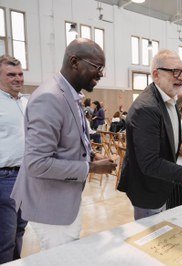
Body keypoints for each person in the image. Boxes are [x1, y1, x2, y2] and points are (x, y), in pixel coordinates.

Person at [11, 38, 117, 250]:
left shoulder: (70, 94)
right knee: (63, 257)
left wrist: (90, 155)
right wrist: (90, 168)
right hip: (50, 204)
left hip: (64, 197)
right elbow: (37, 163)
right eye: (97, 67)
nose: (101, 74)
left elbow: (68, 139)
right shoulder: (50, 97)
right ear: (75, 62)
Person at [117, 49, 182, 220]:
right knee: (152, 238)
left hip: (163, 184)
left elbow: (162, 135)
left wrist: (179, 146)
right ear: (156, 75)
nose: (181, 77)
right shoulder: (147, 108)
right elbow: (149, 162)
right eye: (175, 72)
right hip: (149, 188)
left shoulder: (169, 100)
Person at [0, 55, 28, 264]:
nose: (18, 78)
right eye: (11, 75)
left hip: (28, 176)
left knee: (20, 229)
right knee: (6, 236)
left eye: (20, 74)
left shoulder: (27, 102)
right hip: (5, 177)